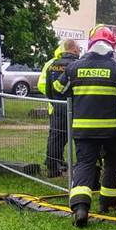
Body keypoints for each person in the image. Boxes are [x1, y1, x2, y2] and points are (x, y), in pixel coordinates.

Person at [51, 27, 116, 227]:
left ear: (91, 44)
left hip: (83, 129)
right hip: (110, 129)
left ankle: (81, 207)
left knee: (85, 164)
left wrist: (76, 96)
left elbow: (57, 89)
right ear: (111, 46)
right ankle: (108, 202)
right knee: (113, 162)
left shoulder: (75, 67)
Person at [38, 39, 80, 177]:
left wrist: (54, 102)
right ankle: (82, 168)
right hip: (75, 108)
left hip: (57, 108)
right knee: (80, 139)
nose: (79, 52)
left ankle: (52, 168)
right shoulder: (76, 65)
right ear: (74, 50)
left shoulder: (52, 65)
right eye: (79, 49)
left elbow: (48, 88)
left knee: (56, 138)